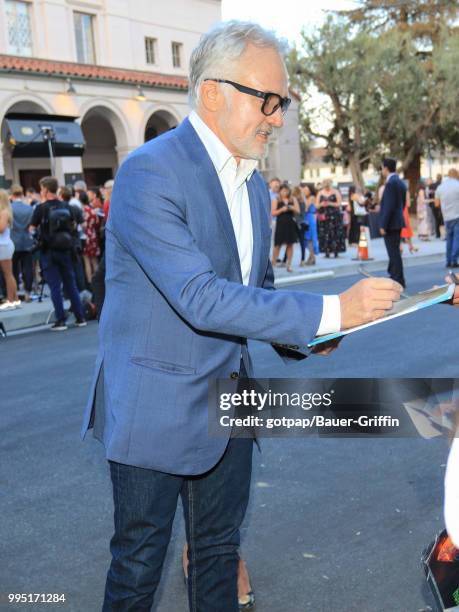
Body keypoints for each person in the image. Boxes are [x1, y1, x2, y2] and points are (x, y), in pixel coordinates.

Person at [81, 21, 402, 611]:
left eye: (283, 103)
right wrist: (331, 305)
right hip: (155, 405)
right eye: (269, 100)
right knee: (138, 566)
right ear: (212, 92)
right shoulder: (149, 172)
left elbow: (260, 291)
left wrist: (315, 335)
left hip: (231, 403)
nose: (277, 117)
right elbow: (200, 296)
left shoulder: (254, 185)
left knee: (219, 555)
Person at [30, 176, 87, 330]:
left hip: (48, 250)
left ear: (46, 189)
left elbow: (32, 228)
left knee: (55, 286)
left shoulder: (41, 208)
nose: (41, 191)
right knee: (71, 284)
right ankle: (80, 317)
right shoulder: (68, 207)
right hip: (67, 250)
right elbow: (80, 224)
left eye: (41, 188)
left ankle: (60, 320)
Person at [379, 157, 406, 287]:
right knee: (394, 250)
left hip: (390, 223)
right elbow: (403, 203)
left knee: (393, 252)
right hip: (398, 221)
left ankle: (398, 278)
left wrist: (383, 225)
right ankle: (393, 273)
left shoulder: (390, 183)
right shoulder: (400, 182)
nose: (381, 170)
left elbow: (388, 206)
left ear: (386, 168)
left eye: (382, 167)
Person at [10, 185, 34, 302]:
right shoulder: (29, 208)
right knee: (28, 268)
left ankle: (15, 292)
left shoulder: (9, 208)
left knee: (13, 269)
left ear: (12, 195)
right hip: (26, 241)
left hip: (13, 241)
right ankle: (28, 291)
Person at [271, 183, 299, 272]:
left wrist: (292, 208)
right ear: (280, 191)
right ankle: (273, 264)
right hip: (280, 224)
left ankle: (289, 265)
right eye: (283, 191)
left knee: (290, 244)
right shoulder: (276, 200)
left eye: (287, 191)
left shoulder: (293, 199)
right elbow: (273, 213)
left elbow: (298, 211)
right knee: (277, 245)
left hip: (290, 224)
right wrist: (282, 210)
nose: (285, 192)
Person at [435, 168, 459, 268]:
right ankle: (454, 260)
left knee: (449, 239)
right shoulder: (458, 185)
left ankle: (448, 260)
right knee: (457, 238)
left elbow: (436, 204)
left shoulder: (441, 187)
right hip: (457, 215)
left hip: (447, 216)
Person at [0, 189, 19, 310]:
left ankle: (11, 300)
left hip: (3, 245)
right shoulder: (4, 211)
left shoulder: (4, 212)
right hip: (4, 244)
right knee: (8, 274)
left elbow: (1, 228)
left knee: (8, 274)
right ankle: (15, 298)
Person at [316, 178, 345, 258]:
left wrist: (330, 203)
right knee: (325, 233)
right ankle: (326, 251)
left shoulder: (335, 192)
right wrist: (321, 204)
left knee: (335, 232)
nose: (327, 188)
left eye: (328, 186)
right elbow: (316, 205)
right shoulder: (320, 193)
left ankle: (336, 251)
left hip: (334, 215)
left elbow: (339, 203)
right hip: (324, 216)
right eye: (325, 187)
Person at [81, 189, 102, 284]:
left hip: (86, 236)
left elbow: (82, 225)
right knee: (94, 260)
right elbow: (97, 223)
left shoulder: (83, 211)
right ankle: (98, 280)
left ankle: (90, 282)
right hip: (93, 235)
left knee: (86, 261)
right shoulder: (92, 210)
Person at [301, 183, 318, 265]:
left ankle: (312, 258)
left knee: (309, 238)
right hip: (308, 217)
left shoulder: (311, 197)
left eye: (306, 190)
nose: (304, 191)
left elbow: (306, 207)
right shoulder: (308, 197)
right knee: (308, 239)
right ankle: (312, 257)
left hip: (310, 218)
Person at [400, 189, 417, 254]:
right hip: (404, 211)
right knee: (407, 228)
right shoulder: (406, 191)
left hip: (398, 211)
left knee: (400, 229)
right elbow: (409, 204)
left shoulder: (396, 190)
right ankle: (410, 246)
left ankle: (400, 247)